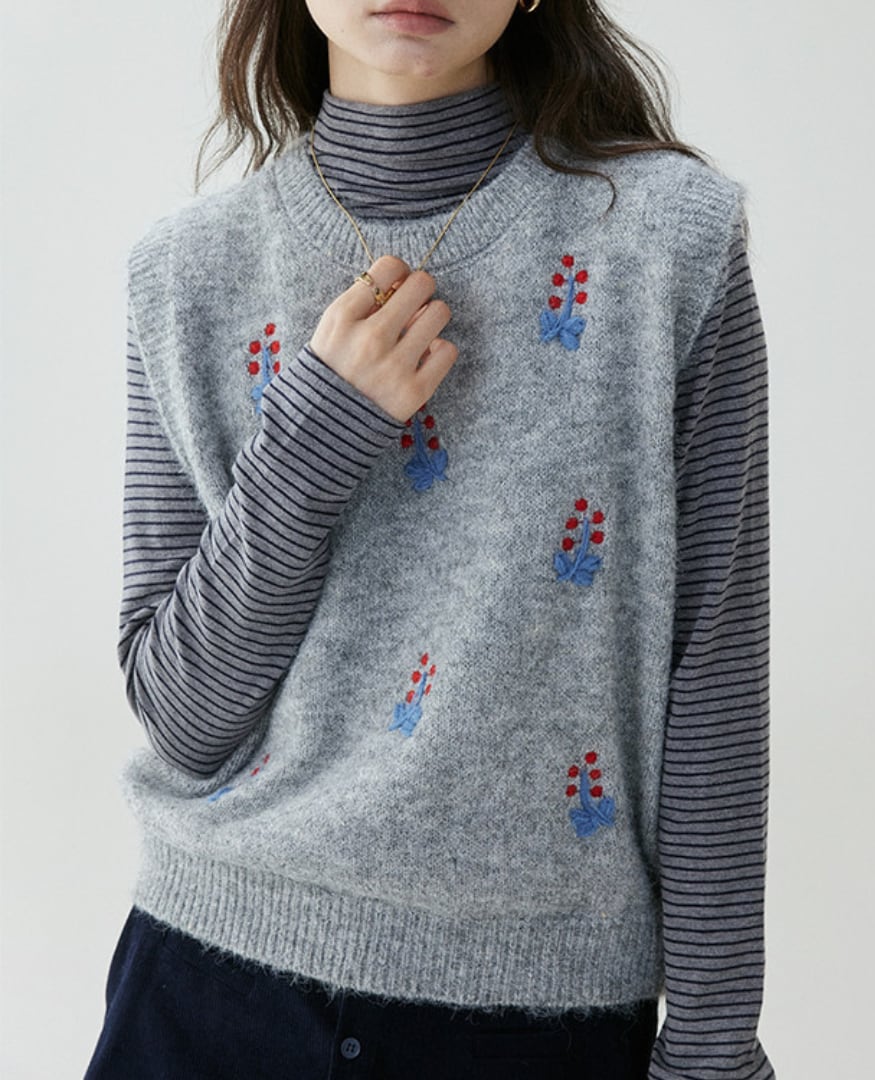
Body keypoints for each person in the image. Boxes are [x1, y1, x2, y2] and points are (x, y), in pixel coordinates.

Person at [84, 1, 775, 1077]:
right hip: (208, 984)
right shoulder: (185, 271)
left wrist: (713, 1052)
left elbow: (715, 671)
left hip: (534, 1016)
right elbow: (185, 720)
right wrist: (316, 434)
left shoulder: (667, 242)